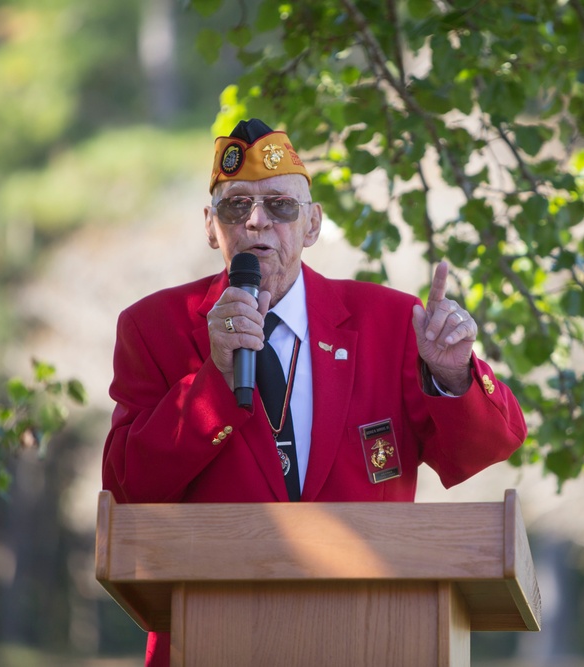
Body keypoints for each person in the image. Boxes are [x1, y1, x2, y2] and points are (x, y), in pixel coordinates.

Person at [101, 119, 527, 666]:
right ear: (211, 226)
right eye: (236, 208)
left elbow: (490, 445)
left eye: (280, 206)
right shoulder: (154, 326)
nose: (257, 221)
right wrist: (215, 379)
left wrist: (453, 375)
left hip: (376, 635)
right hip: (213, 640)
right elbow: (125, 490)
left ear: (312, 224)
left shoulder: (390, 320)